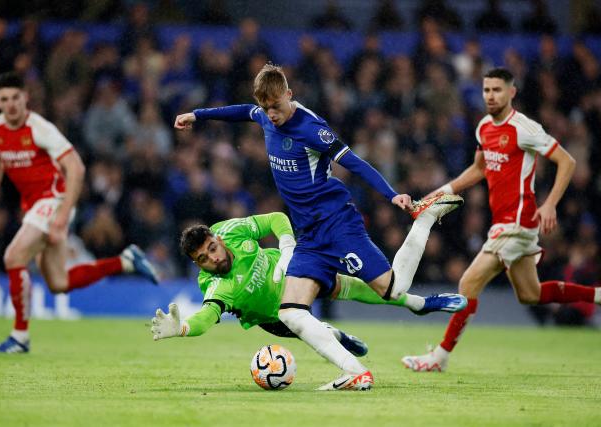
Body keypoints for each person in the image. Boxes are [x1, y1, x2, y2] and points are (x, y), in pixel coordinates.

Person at [173, 63, 465, 390]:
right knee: (290, 313)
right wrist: (198, 115)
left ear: (289, 94)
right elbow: (242, 111)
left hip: (336, 222)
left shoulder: (312, 128)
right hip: (308, 235)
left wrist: (392, 194)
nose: (271, 114)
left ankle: (424, 220)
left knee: (392, 289)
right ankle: (357, 373)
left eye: (276, 107)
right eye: (266, 108)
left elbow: (353, 162)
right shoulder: (264, 115)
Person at [401, 67, 601, 372]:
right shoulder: (484, 127)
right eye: (486, 90)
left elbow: (567, 161)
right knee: (529, 294)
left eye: (497, 90)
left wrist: (550, 205)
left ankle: (439, 357)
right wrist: (436, 194)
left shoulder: (524, 128)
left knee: (468, 282)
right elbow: (478, 169)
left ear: (512, 92)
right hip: (504, 223)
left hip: (518, 222)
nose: (491, 96)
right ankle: (597, 295)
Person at [0, 72, 159, 354]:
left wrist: (62, 215)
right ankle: (124, 261)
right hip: (33, 207)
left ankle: (19, 337)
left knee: (13, 256)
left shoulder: (40, 128)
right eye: (4, 99)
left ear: (25, 98)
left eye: (16, 97)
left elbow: (76, 167)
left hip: (54, 199)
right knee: (59, 283)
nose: (11, 104)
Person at [150, 212, 468, 356]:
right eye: (204, 258)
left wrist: (287, 246)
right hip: (276, 317)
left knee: (353, 285)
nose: (213, 258)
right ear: (197, 265)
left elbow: (275, 218)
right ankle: (335, 334)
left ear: (217, 239)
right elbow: (207, 316)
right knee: (316, 334)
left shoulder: (231, 230)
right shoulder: (216, 285)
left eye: (212, 249)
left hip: (294, 273)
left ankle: (420, 303)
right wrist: (182, 329)